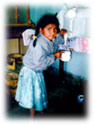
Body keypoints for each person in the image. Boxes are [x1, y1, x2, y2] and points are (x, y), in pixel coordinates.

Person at [15, 14, 62, 117]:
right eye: (49, 29)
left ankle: (40, 108)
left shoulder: (50, 38)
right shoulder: (40, 44)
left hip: (36, 70)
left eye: (55, 29)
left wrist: (61, 33)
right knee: (34, 94)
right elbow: (40, 63)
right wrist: (54, 56)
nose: (52, 33)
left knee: (39, 92)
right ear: (41, 30)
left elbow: (57, 39)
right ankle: (32, 116)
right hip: (30, 71)